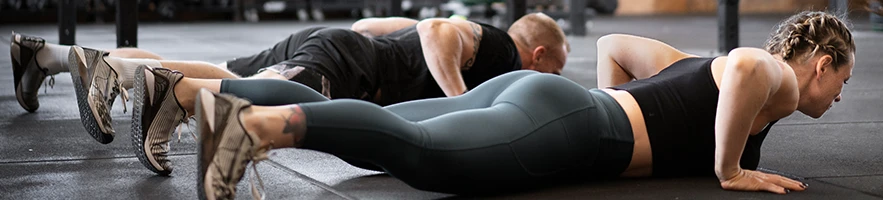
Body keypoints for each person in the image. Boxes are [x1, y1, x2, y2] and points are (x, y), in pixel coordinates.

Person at [182, 11, 853, 199]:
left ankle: (189, 92)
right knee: (427, 159)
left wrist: (614, 96)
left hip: (547, 100)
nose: (841, 94)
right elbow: (742, 66)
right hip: (571, 124)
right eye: (843, 80)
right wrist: (730, 168)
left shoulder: (687, 70)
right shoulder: (778, 79)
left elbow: (617, 42)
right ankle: (258, 129)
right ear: (821, 63)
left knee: (382, 135)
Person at [9, 13, 568, 175]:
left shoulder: (491, 46)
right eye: (557, 69)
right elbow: (434, 29)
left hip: (336, 46)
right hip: (345, 63)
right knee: (269, 95)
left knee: (214, 67)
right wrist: (455, 99)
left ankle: (54, 58)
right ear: (539, 56)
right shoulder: (502, 50)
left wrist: (340, 45)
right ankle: (168, 99)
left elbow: (378, 23)